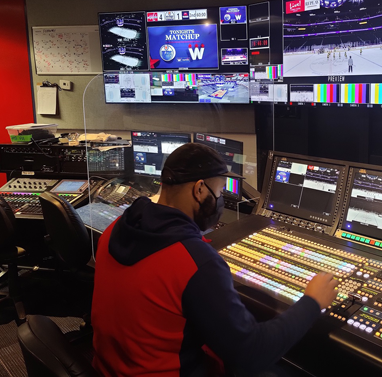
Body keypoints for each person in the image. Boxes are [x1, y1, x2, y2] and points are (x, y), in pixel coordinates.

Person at [91, 143, 338, 377]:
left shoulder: (116, 227)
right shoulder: (193, 263)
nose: (220, 200)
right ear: (199, 190)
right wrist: (312, 302)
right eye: (220, 191)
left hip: (108, 367)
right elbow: (252, 353)